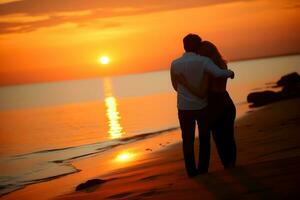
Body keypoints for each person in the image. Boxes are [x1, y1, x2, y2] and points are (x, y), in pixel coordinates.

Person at [170, 34, 235, 177]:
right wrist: (230, 73)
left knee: (188, 140)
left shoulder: (174, 64)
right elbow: (219, 73)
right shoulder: (205, 62)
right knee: (206, 139)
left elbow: (175, 87)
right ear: (197, 46)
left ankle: (192, 173)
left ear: (184, 46)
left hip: (184, 107)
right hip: (203, 106)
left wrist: (186, 88)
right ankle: (205, 169)